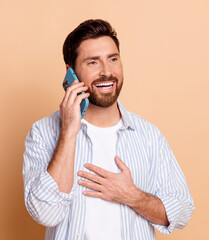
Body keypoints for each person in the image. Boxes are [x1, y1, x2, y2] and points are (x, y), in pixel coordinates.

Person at [23, 19, 194, 240]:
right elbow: (46, 213)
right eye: (93, 62)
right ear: (71, 72)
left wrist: (132, 196)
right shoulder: (43, 132)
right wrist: (68, 132)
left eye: (113, 59)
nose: (107, 72)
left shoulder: (149, 136)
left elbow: (181, 212)